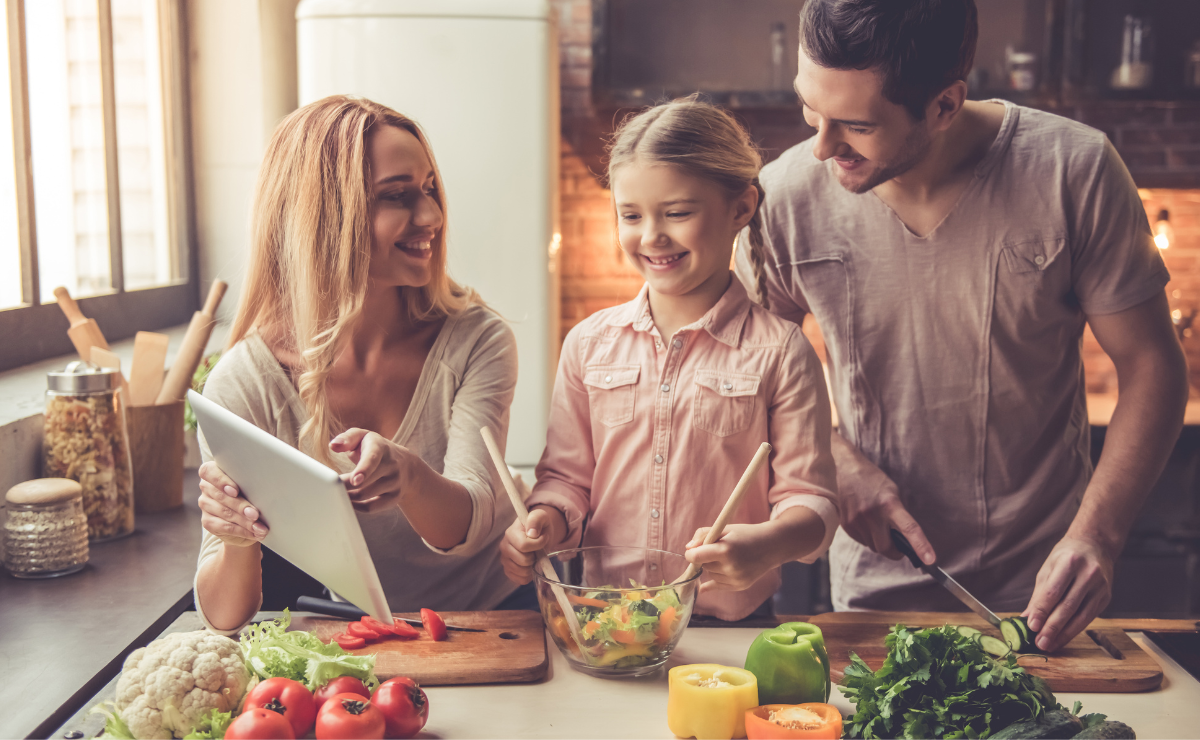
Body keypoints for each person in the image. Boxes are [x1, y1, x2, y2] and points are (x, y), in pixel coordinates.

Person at [736, 0, 1188, 650]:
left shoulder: (1075, 171)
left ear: (945, 104)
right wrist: (836, 463)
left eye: (856, 125)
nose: (823, 146)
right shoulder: (784, 195)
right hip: (872, 587)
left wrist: (1097, 535)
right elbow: (748, 376)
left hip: (1041, 594)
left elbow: (1153, 370)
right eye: (812, 111)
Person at [499, 98, 839, 621]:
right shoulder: (588, 344)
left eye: (677, 213)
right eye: (630, 215)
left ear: (741, 209)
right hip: (605, 621)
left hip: (728, 632)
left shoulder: (781, 352)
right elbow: (567, 480)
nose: (651, 235)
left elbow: (812, 503)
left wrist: (765, 546)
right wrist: (544, 520)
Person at [194, 95, 524, 633]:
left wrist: (410, 478)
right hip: (366, 627)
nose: (432, 216)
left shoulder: (476, 340)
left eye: (429, 189)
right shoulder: (242, 385)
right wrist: (233, 537)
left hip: (498, 616)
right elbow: (225, 614)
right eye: (397, 196)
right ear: (324, 217)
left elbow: (469, 521)